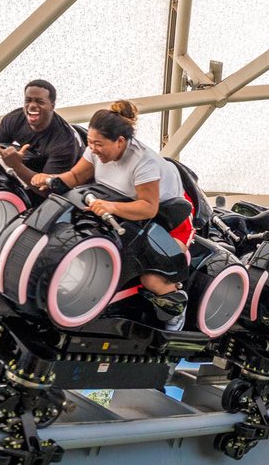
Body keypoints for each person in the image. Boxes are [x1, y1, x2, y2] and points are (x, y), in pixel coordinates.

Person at [31, 101, 190, 329]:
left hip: (165, 222)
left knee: (151, 278)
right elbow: (75, 177)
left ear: (120, 142)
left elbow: (148, 207)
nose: (93, 149)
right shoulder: (96, 149)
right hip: (117, 209)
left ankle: (174, 307)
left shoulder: (144, 163)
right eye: (90, 143)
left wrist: (111, 207)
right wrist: (48, 179)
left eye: (98, 144)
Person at [0, 79, 83, 188]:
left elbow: (46, 190)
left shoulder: (64, 143)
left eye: (40, 102)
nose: (32, 106)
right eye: (28, 100)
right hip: (37, 163)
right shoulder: (15, 119)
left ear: (52, 106)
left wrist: (16, 166)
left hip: (68, 176)